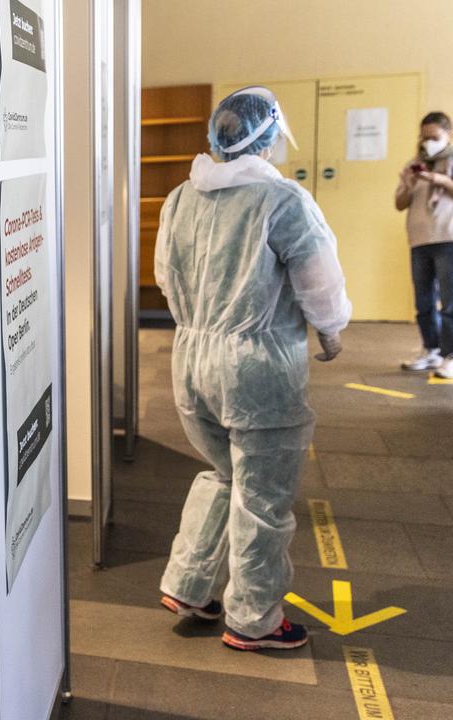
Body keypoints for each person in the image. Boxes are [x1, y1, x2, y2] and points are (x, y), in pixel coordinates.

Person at [154, 87, 352, 651]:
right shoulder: (284, 202)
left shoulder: (179, 199)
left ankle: (189, 582)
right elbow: (319, 281)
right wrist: (331, 329)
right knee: (262, 494)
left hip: (192, 361)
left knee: (223, 472)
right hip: (258, 367)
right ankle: (255, 618)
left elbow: (166, 278)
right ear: (267, 137)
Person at [395, 111, 453, 377]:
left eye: (434, 137)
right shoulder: (414, 164)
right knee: (424, 302)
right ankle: (430, 350)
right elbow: (399, 204)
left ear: (447, 135)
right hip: (419, 241)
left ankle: (450, 355)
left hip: (447, 238)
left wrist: (437, 179)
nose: (428, 141)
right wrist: (408, 184)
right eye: (424, 136)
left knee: (450, 302)